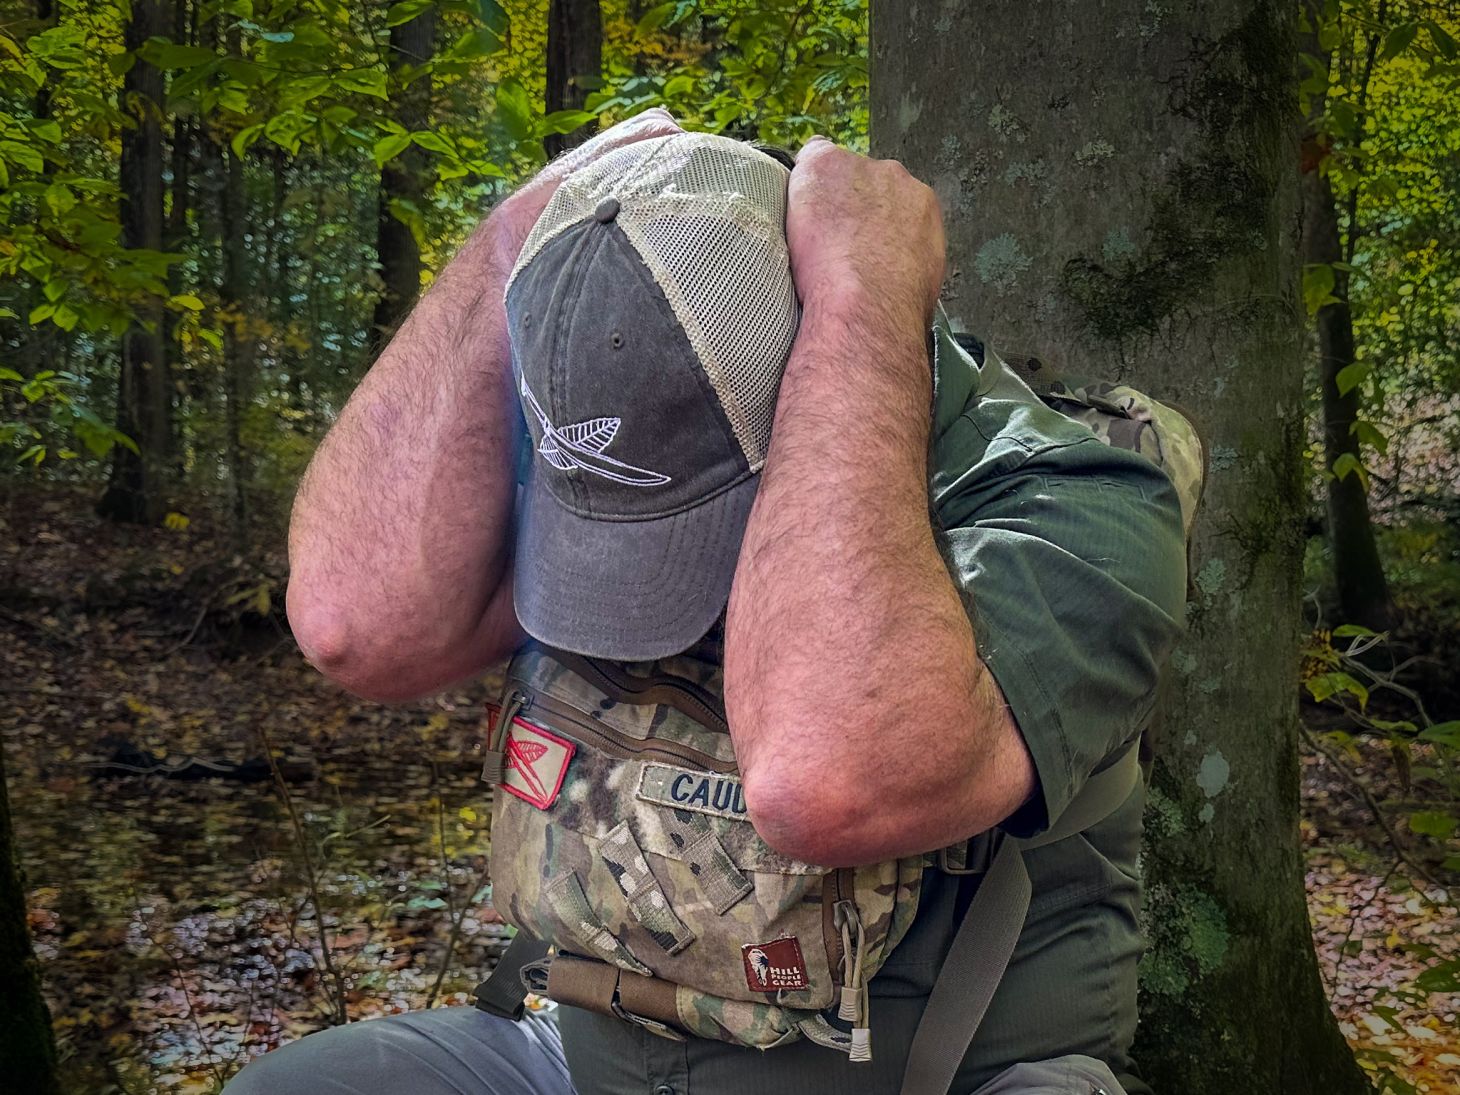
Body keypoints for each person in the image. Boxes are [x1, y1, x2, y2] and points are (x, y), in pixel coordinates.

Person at [226, 109, 1187, 1095]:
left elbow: (820, 786)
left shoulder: (1072, 504)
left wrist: (858, 304)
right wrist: (508, 238)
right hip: (589, 1060)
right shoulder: (606, 416)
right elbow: (355, 630)